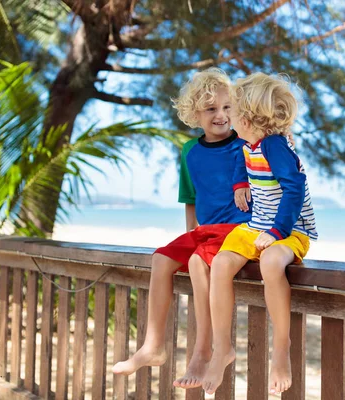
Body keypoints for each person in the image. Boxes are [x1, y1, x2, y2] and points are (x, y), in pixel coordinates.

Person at [113, 68, 251, 390]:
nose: (221, 115)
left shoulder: (244, 144)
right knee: (161, 259)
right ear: (195, 115)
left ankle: (204, 350)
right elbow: (190, 198)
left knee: (197, 262)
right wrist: (189, 234)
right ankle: (153, 346)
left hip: (235, 230)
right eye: (211, 109)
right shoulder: (190, 151)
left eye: (227, 107)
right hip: (204, 231)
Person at [202, 72, 318, 395]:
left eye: (233, 110)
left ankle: (281, 347)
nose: (227, 116)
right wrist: (240, 184)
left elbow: (295, 187)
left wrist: (278, 231)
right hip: (258, 225)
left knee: (270, 264)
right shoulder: (251, 143)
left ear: (249, 117)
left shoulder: (276, 145)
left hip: (290, 229)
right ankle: (222, 347)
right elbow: (245, 160)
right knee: (221, 264)